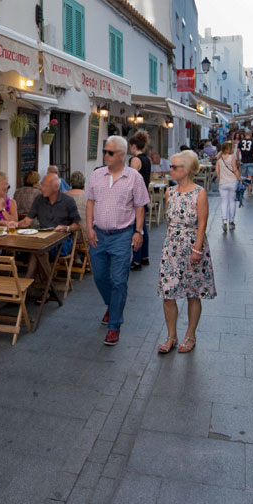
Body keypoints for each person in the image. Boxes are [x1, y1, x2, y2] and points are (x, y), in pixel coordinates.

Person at [86, 135, 149, 346]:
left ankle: (114, 325)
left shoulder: (134, 177)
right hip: (98, 234)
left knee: (119, 280)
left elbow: (140, 205)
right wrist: (89, 228)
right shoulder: (96, 175)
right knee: (100, 276)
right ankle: (112, 306)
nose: (105, 155)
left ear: (121, 155)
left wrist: (138, 231)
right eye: (105, 151)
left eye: (110, 152)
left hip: (122, 235)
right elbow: (90, 203)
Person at [157, 151, 215, 354]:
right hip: (172, 247)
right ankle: (171, 335)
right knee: (168, 293)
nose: (170, 170)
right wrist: (170, 245)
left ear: (187, 169)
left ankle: (190, 335)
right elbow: (169, 221)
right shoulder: (169, 192)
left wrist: (197, 249)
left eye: (175, 167)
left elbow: (202, 223)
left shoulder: (200, 193)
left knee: (193, 293)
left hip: (192, 247)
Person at [17, 172, 81, 257]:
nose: (42, 188)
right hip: (42, 237)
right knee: (36, 248)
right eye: (42, 185)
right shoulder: (39, 199)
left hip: (61, 241)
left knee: (40, 250)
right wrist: (15, 224)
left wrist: (66, 228)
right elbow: (27, 221)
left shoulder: (68, 201)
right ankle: (39, 271)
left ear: (56, 187)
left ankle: (34, 271)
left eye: (45, 186)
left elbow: (77, 225)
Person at [128, 131, 153, 270]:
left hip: (136, 199)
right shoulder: (147, 160)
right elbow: (148, 178)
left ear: (133, 146)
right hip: (144, 196)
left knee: (136, 229)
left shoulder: (135, 160)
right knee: (143, 228)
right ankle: (145, 257)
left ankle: (136, 260)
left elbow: (132, 180)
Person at [215, 141, 240, 233]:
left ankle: (224, 220)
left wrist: (220, 180)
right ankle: (231, 222)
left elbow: (217, 171)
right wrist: (239, 178)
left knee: (224, 202)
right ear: (229, 148)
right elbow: (234, 168)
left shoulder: (219, 158)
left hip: (223, 183)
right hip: (232, 182)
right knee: (232, 202)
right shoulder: (231, 157)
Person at [238, 130, 253, 197]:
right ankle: (249, 191)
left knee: (243, 177)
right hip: (251, 161)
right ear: (251, 134)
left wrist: (238, 160)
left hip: (243, 161)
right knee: (250, 177)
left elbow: (238, 151)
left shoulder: (241, 142)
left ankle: (243, 191)